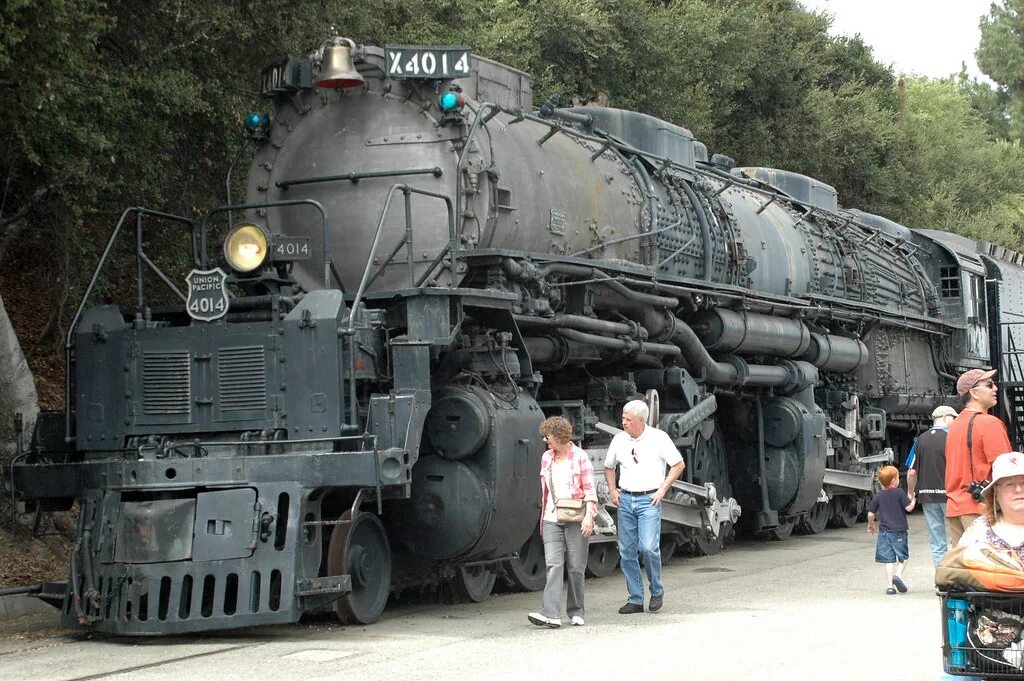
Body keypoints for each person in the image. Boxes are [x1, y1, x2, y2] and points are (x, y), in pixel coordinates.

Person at [604, 399, 685, 614]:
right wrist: (612, 489)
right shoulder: (619, 440)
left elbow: (678, 464)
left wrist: (663, 488)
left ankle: (656, 590)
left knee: (648, 547)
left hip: (649, 499)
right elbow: (608, 466)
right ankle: (636, 598)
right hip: (626, 499)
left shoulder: (659, 438)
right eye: (623, 418)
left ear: (641, 421)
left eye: (628, 419)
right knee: (627, 551)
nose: (624, 422)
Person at [528, 416, 598, 629]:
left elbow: (590, 491)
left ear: (559, 437)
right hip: (551, 518)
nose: (546, 441)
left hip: (576, 518)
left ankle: (576, 611)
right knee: (553, 565)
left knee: (576, 567)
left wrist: (589, 516)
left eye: (548, 437)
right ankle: (550, 613)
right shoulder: (547, 457)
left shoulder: (580, 457)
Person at [945, 368, 1013, 548]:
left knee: (965, 571)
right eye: (989, 385)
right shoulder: (990, 423)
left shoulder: (955, 424)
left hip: (955, 508)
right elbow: (1007, 470)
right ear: (974, 392)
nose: (995, 388)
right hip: (982, 509)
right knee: (995, 569)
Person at [907, 405, 958, 567]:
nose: (955, 421)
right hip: (950, 496)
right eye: (953, 418)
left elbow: (912, 472)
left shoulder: (920, 439)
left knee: (937, 542)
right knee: (958, 539)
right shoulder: (952, 438)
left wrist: (911, 493)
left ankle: (941, 582)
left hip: (927, 496)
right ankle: (957, 580)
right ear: (944, 418)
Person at [958, 452, 1024, 562]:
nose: (1018, 490)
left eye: (1023, 483)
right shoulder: (978, 531)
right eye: (1009, 484)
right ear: (995, 493)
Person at [867, 465, 916, 594]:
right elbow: (908, 508)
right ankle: (898, 576)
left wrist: (871, 525)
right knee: (903, 557)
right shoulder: (899, 492)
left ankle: (890, 587)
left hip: (884, 532)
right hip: (899, 531)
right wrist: (913, 501)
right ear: (894, 480)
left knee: (888, 560)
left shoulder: (879, 495)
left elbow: (871, 514)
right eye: (898, 477)